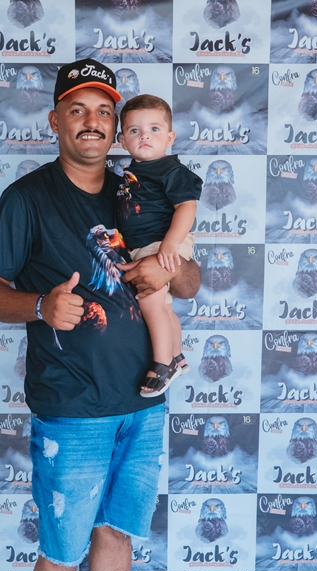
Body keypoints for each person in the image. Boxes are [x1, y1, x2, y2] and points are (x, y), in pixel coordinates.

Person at [0, 59, 201, 571]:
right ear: (56, 122)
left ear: (118, 126)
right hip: (71, 407)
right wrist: (40, 305)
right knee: (62, 548)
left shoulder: (140, 186)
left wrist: (168, 266)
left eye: (104, 111)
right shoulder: (28, 198)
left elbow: (189, 284)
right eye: (77, 110)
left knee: (116, 531)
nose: (92, 122)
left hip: (143, 401)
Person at [117, 94, 203, 397]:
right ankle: (177, 356)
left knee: (149, 301)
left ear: (170, 137)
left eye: (154, 129)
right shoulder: (134, 172)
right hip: (147, 245)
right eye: (135, 131)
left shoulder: (169, 170)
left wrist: (170, 244)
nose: (145, 137)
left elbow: (187, 206)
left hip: (162, 243)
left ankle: (162, 364)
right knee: (164, 307)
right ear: (122, 140)